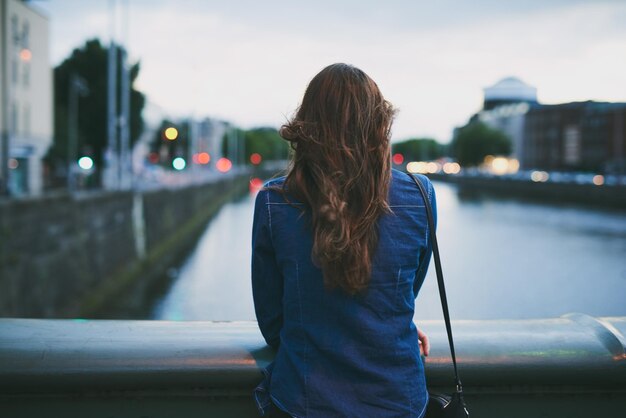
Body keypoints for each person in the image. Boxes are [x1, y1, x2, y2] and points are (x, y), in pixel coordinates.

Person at [251, 63, 436, 418]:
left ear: (307, 126)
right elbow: (404, 291)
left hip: (305, 402)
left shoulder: (276, 202)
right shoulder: (420, 194)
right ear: (380, 124)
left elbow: (272, 321)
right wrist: (387, 328)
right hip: (397, 401)